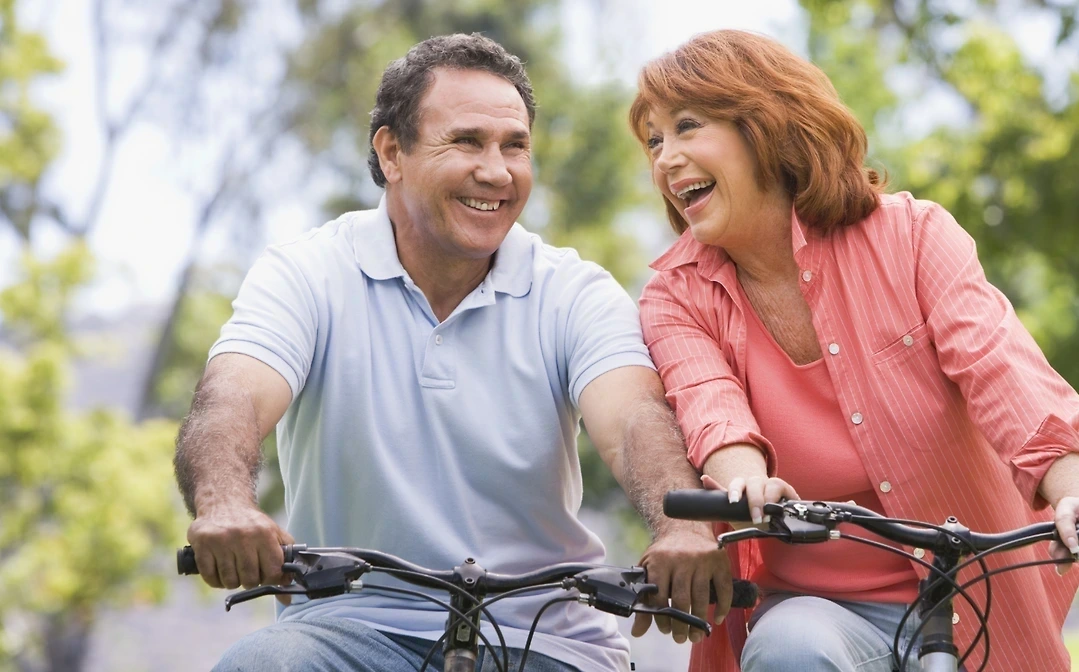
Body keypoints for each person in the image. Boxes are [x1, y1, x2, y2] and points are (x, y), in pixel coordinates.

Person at [173, 33, 730, 672]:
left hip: (546, 641)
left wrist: (681, 527)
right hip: (344, 630)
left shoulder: (574, 291)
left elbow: (633, 419)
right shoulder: (307, 273)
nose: (497, 171)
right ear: (392, 152)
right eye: (467, 141)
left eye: (514, 146)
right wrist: (225, 504)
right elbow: (233, 397)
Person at [629, 30, 1079, 672]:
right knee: (789, 650)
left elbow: (1001, 371)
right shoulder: (674, 295)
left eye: (687, 127)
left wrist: (1075, 495)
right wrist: (745, 483)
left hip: (972, 597)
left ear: (765, 125)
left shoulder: (912, 235)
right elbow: (709, 407)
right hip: (815, 610)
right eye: (654, 141)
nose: (666, 159)